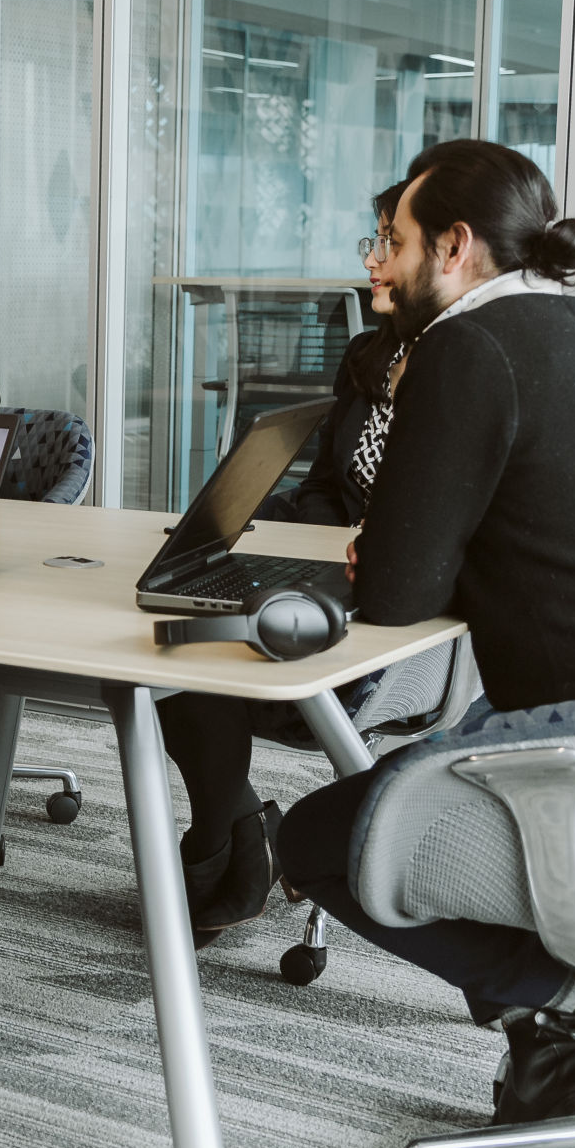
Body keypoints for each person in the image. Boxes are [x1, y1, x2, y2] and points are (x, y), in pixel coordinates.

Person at [275, 140, 575, 1148]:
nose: (377, 266)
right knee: (440, 760)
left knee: (319, 840)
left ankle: (572, 1002)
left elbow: (397, 593)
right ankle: (557, 1038)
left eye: (391, 242)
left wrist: (398, 550)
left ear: (454, 246)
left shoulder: (466, 348)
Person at [154, 181, 412, 948]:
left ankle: (216, 848)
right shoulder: (372, 354)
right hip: (332, 578)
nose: (371, 261)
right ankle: (227, 830)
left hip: (396, 614)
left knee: (205, 655)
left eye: (389, 244)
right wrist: (251, 530)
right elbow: (332, 490)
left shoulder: (466, 374)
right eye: (371, 241)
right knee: (177, 630)